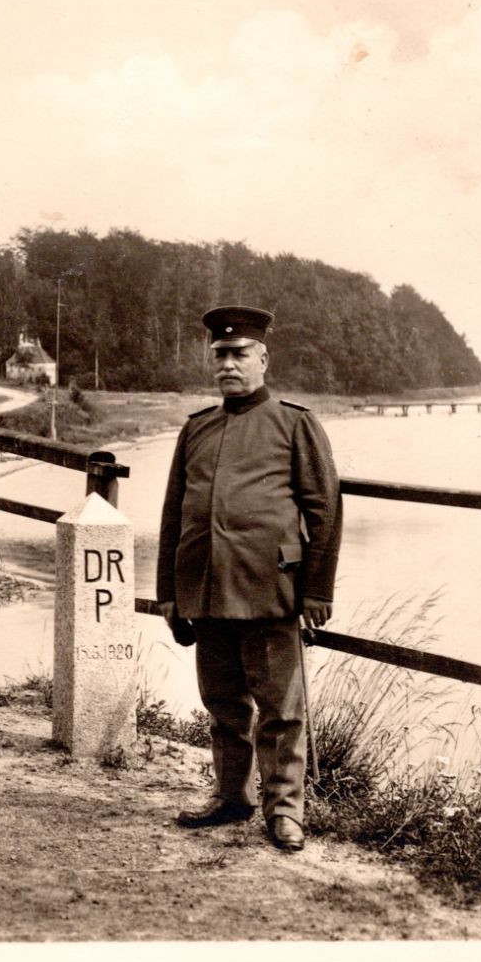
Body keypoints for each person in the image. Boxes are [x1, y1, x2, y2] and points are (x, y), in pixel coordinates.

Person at [155, 305, 342, 852]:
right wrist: (169, 592)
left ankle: (284, 811)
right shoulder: (197, 429)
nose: (228, 365)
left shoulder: (295, 422)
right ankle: (230, 797)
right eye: (220, 356)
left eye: (240, 355)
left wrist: (316, 589)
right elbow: (173, 514)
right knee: (223, 706)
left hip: (269, 589)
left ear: (263, 358)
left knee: (282, 711)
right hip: (208, 589)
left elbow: (325, 509)